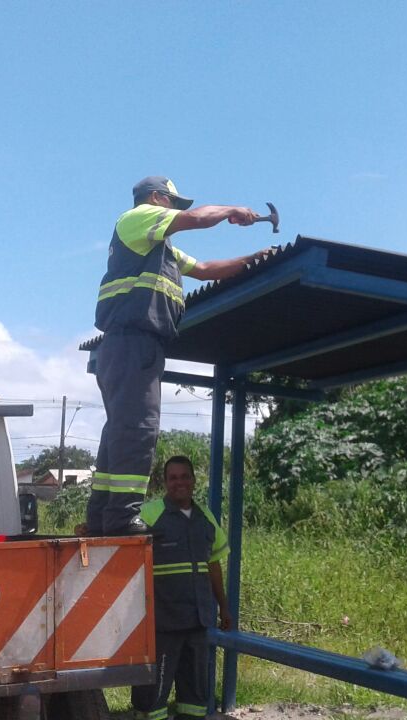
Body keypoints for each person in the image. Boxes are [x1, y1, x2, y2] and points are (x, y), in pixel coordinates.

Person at [88, 176, 266, 536]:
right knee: (138, 428)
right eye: (172, 203)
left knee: (121, 430)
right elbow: (198, 218)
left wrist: (254, 259)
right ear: (156, 198)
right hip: (133, 342)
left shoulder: (160, 249)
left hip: (131, 346)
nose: (174, 212)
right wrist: (233, 210)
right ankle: (122, 518)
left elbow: (203, 270)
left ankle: (102, 516)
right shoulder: (137, 217)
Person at [131, 455, 231, 720]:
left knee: (196, 699)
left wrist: (224, 608)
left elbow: (214, 565)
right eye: (173, 478)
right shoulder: (148, 514)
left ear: (194, 480)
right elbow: (121, 544)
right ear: (165, 483)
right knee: (152, 696)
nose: (180, 483)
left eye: (185, 476)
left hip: (198, 622)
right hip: (162, 624)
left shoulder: (206, 517)